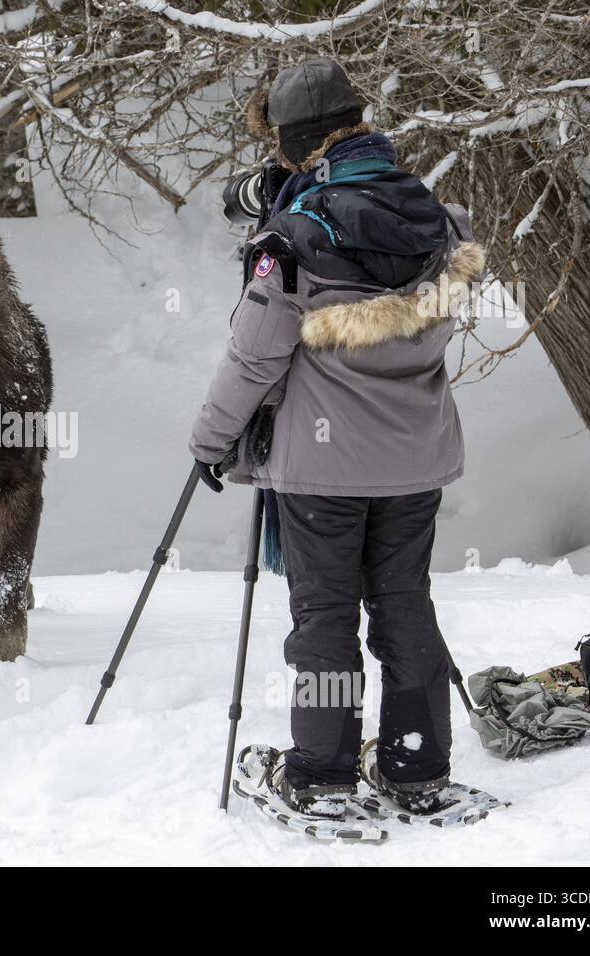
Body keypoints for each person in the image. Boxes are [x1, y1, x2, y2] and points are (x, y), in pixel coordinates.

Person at [189, 58, 485, 819]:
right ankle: (416, 768)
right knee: (404, 605)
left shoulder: (293, 237)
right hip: (415, 459)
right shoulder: (438, 220)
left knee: (324, 617)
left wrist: (210, 442)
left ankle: (320, 774)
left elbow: (255, 357)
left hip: (322, 469)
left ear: (293, 142)